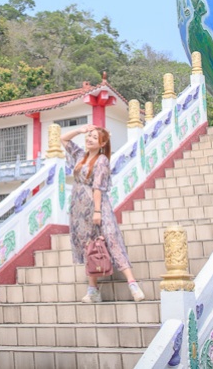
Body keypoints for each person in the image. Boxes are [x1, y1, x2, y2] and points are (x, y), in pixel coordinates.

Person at [61, 123, 145, 303]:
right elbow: (63, 139)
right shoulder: (79, 155)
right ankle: (93, 290)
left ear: (102, 144)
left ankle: (132, 284)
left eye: (93, 137)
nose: (89, 139)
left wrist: (97, 211)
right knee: (87, 245)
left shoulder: (101, 161)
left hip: (97, 205)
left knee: (111, 238)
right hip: (78, 209)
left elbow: (98, 187)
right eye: (88, 136)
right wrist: (80, 130)